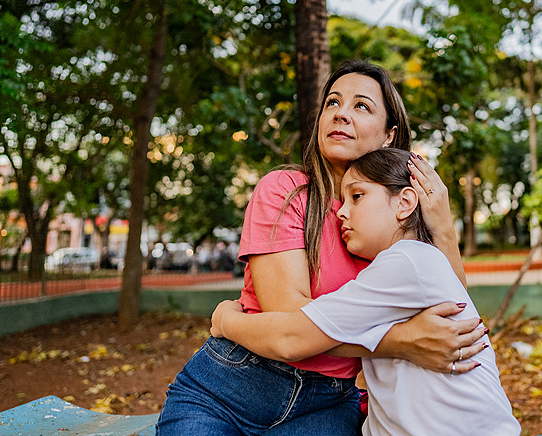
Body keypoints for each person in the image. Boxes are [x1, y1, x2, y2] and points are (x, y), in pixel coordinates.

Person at [156, 60, 486, 435]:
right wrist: (402, 342)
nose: (341, 114)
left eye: (361, 106)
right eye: (333, 102)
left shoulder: (394, 220)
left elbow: (452, 317)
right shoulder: (285, 189)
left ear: (390, 135)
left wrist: (442, 227)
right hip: (231, 387)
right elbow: (292, 325)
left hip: (326, 403)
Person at [211, 148, 521, 435]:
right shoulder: (418, 262)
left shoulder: (406, 262)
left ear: (405, 202)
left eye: (357, 196)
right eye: (342, 200)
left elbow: (290, 338)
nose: (341, 212)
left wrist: (226, 322)